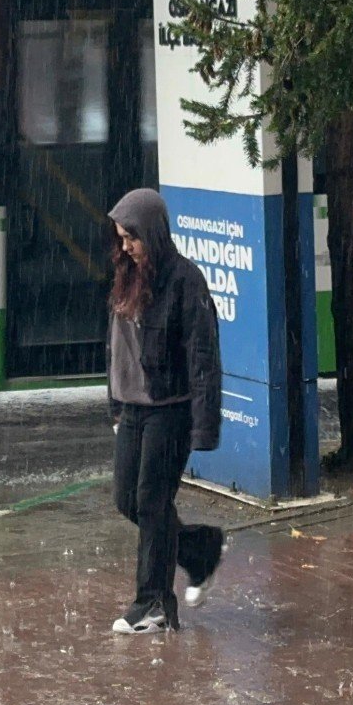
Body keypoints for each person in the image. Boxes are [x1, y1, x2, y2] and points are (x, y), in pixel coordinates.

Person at [105, 188, 226, 635]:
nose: (125, 247)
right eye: (120, 238)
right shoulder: (126, 275)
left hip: (168, 410)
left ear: (152, 234)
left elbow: (203, 358)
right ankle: (199, 548)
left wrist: (204, 425)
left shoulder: (184, 281)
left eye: (131, 238)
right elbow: (116, 348)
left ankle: (154, 603)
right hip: (133, 409)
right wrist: (116, 405)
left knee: (153, 502)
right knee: (128, 500)